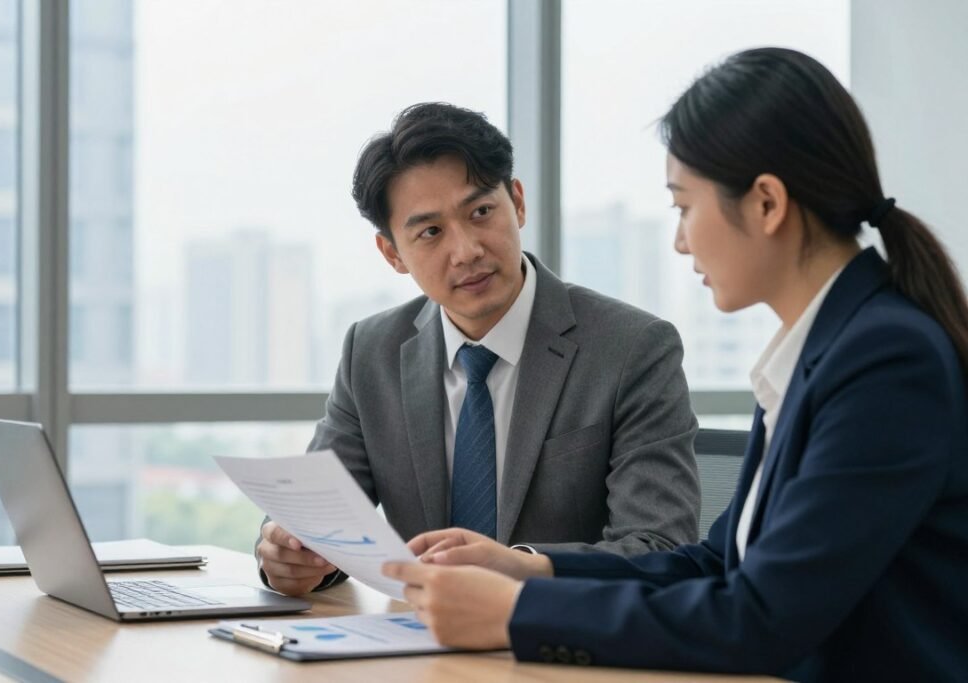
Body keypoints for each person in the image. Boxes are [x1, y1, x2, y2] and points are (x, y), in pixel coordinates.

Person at [382, 48, 968, 681]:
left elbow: (759, 619)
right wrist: (532, 568)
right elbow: (716, 566)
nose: (681, 240)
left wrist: (518, 613)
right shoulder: (825, 352)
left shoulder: (884, 362)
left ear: (766, 204)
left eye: (685, 207)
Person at [256, 102, 701, 597]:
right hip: (416, 652)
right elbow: (317, 518)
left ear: (518, 203)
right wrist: (287, 554)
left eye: (481, 212)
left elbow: (662, 549)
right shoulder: (372, 353)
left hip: (566, 650)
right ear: (392, 254)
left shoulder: (631, 349)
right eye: (430, 232)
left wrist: (519, 567)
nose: (466, 250)